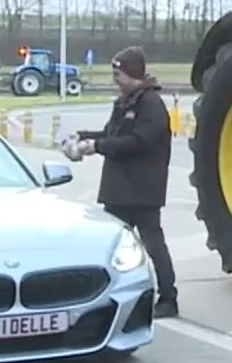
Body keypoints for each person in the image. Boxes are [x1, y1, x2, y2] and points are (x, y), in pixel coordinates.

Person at [75, 47, 178, 318]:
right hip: (119, 190)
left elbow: (139, 141)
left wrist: (97, 146)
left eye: (118, 73)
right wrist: (84, 138)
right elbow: (111, 134)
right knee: (109, 248)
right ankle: (106, 297)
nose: (115, 79)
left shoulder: (151, 104)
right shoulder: (125, 101)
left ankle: (168, 298)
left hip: (142, 190)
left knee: (153, 244)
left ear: (132, 73)